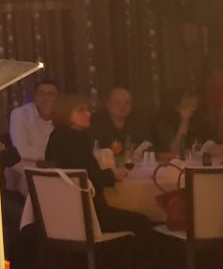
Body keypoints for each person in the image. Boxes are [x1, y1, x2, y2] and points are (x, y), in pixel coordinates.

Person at [44, 95, 154, 235]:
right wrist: (113, 175)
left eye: (88, 110)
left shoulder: (56, 136)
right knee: (143, 221)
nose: (88, 114)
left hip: (63, 215)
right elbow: (89, 177)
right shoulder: (74, 139)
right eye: (81, 110)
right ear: (65, 113)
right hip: (89, 216)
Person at [152, 88, 215, 157]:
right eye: (187, 97)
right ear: (176, 104)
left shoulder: (198, 116)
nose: (193, 100)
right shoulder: (163, 121)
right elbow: (175, 151)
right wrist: (184, 121)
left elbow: (214, 140)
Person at [9, 80, 59, 163]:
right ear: (35, 96)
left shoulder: (64, 116)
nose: (46, 98)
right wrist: (54, 156)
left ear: (58, 98)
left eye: (51, 94)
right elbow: (21, 150)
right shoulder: (20, 114)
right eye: (41, 93)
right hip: (28, 167)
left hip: (57, 167)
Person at [91, 86, 148, 153]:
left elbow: (145, 147)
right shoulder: (96, 123)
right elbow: (96, 149)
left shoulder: (139, 123)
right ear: (108, 104)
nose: (122, 106)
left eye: (127, 103)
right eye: (117, 102)